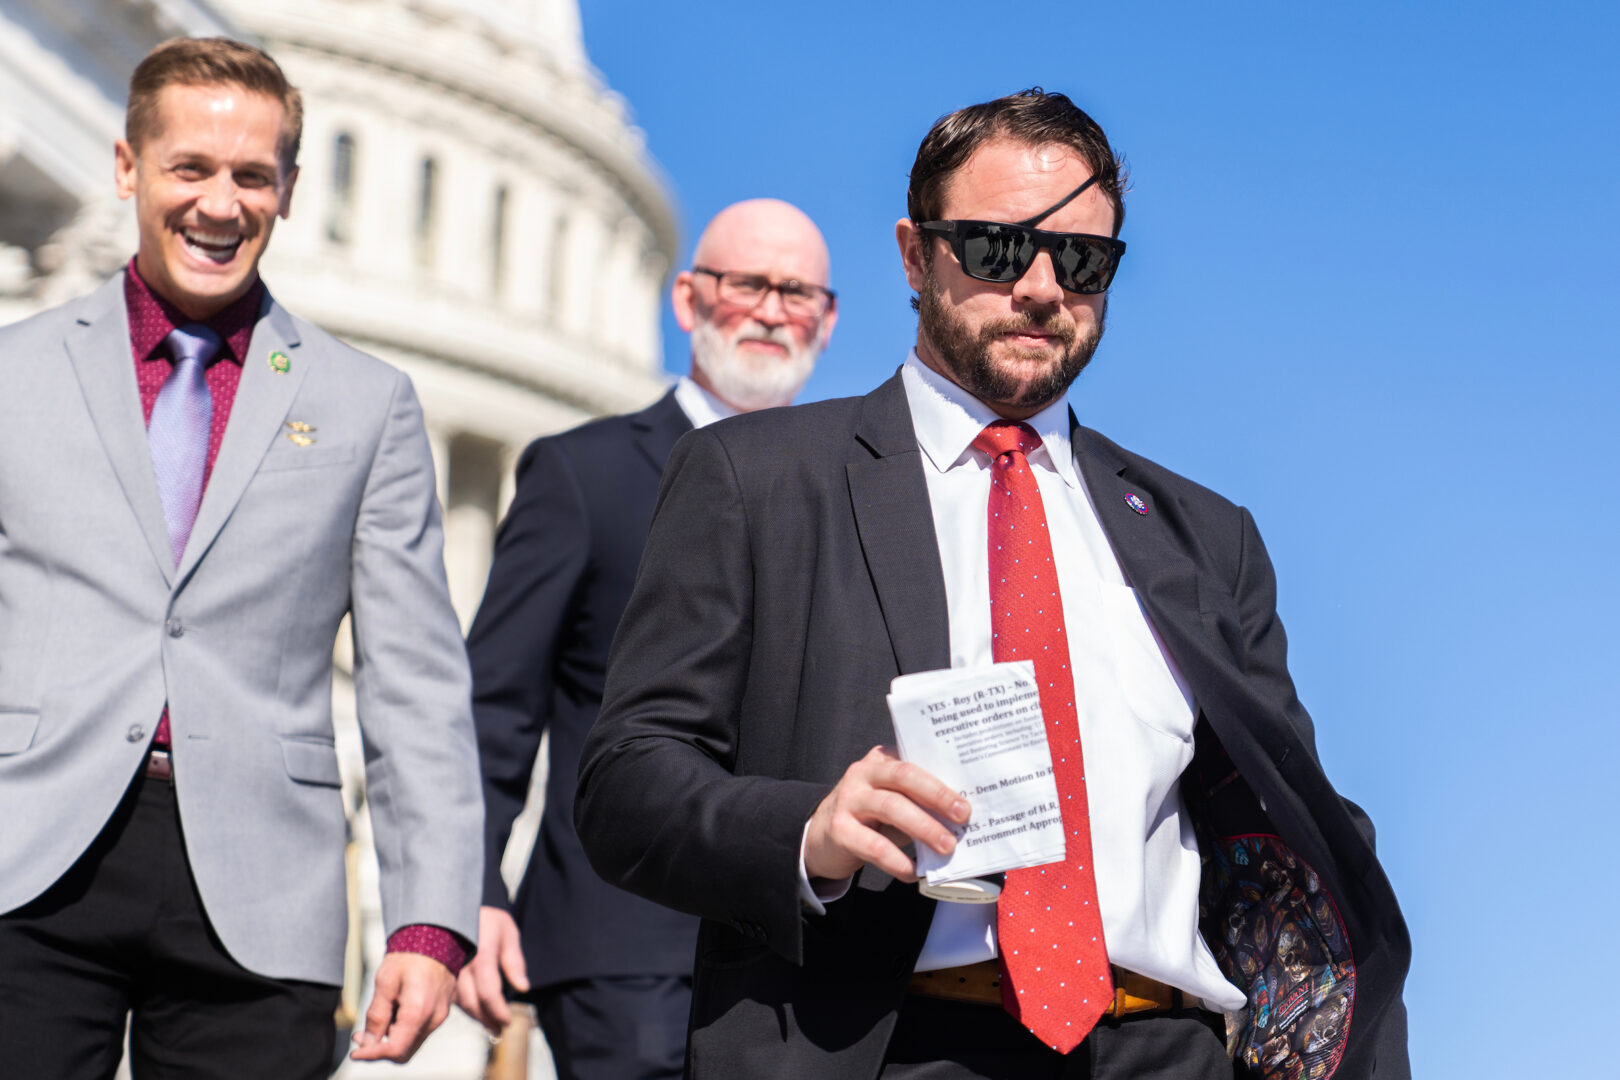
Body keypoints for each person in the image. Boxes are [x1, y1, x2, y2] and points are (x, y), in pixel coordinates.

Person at [575, 90, 1410, 1079]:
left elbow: (1296, 829)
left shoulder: (1205, 537)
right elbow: (627, 779)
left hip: (1165, 1046)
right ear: (913, 255)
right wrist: (809, 830)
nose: (1043, 288)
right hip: (889, 1041)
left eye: (1084, 260)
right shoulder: (757, 480)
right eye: (998, 250)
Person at [0, 38, 481, 1078]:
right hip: (26, 863)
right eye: (190, 168)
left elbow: (416, 688)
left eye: (251, 176)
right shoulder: (14, 373)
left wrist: (428, 922)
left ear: (289, 192)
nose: (220, 205)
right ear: (128, 169)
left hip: (262, 892)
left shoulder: (368, 408)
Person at [457, 199, 837, 1078]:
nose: (772, 310)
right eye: (748, 284)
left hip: (802, 947)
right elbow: (496, 708)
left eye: (797, 291)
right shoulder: (583, 474)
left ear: (829, 316)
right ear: (689, 298)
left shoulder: (847, 489)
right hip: (620, 942)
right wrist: (468, 893)